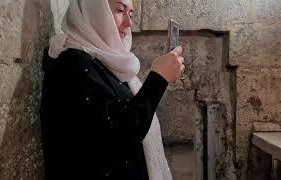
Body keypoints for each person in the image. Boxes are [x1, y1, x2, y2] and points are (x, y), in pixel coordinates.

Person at [40, 0, 185, 179]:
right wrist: (158, 79)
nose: (128, 23)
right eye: (119, 10)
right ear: (92, 10)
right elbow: (118, 135)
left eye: (130, 14)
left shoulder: (105, 63)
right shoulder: (71, 67)